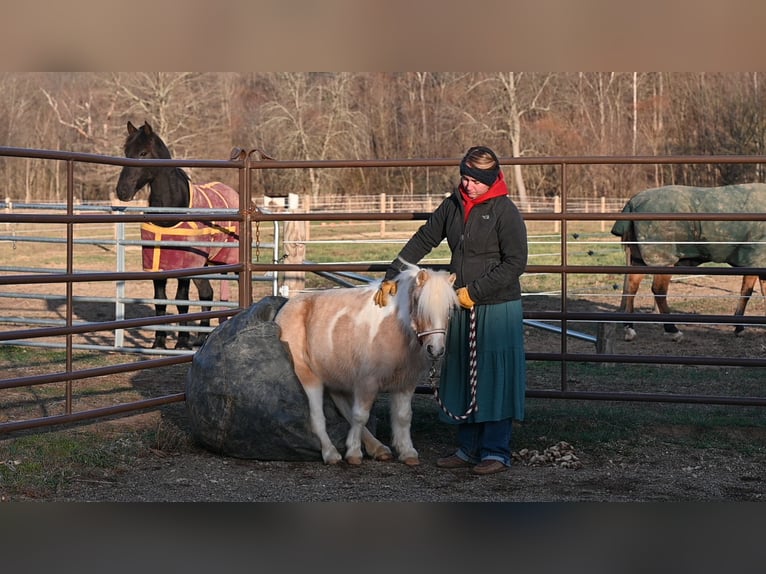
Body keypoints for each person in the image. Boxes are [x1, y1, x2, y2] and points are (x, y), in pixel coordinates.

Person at [374, 145, 527, 475]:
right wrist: (392, 275)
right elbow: (425, 237)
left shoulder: (505, 211)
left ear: (490, 180)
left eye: (474, 180)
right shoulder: (453, 206)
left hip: (496, 307)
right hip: (460, 304)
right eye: (464, 177)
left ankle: (496, 451)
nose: (467, 184)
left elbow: (516, 263)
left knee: (493, 376)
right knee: (461, 372)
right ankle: (467, 448)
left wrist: (476, 291)